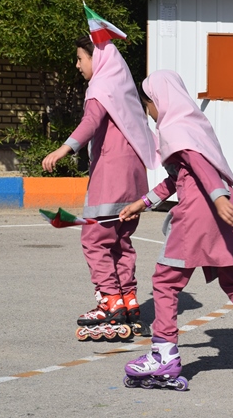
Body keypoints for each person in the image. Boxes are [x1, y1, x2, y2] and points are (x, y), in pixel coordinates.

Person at [120, 70, 233, 389]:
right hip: (224, 207)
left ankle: (163, 355)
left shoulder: (175, 128)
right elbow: (178, 178)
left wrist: (216, 198)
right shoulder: (196, 125)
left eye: (148, 106)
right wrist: (142, 203)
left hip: (200, 210)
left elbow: (198, 164)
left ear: (159, 101)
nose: (149, 113)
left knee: (165, 282)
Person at [42, 36, 158, 340]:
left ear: (98, 59)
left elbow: (90, 122)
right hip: (134, 178)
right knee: (120, 241)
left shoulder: (100, 88)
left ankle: (109, 301)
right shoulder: (124, 89)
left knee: (94, 238)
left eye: (80, 58)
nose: (77, 65)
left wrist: (63, 149)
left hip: (111, 177)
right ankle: (128, 300)